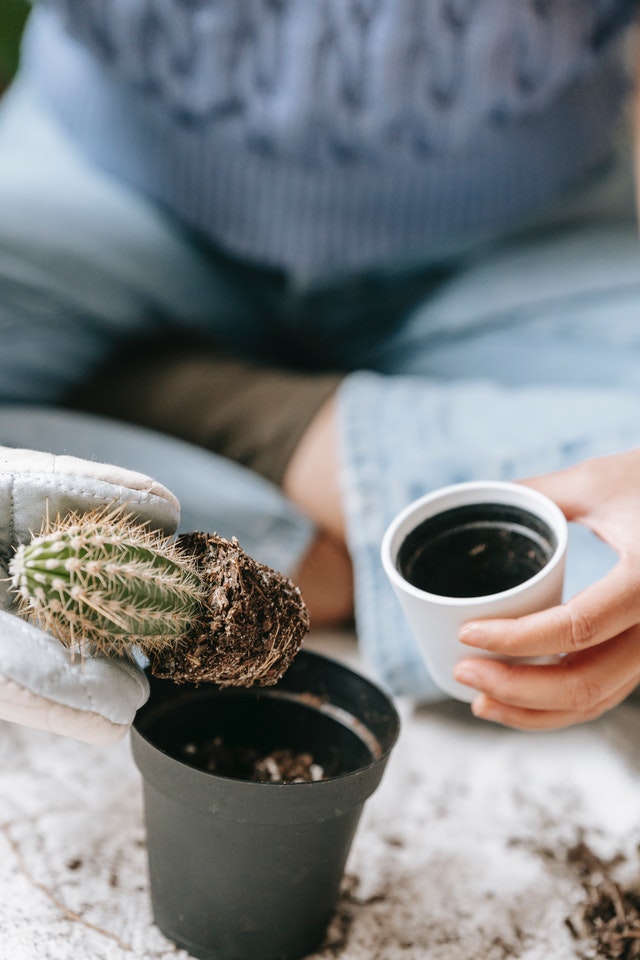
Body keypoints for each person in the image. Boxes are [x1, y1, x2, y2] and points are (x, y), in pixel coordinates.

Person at [1, 0, 640, 737]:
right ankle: (315, 539)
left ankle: (236, 418)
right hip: (98, 188)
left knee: (615, 577)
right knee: (553, 579)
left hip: (529, 234)